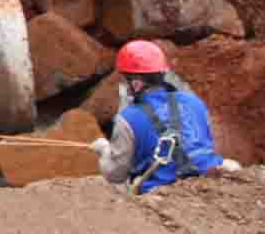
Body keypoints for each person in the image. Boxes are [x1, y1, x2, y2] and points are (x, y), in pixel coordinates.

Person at [89, 41, 240, 194]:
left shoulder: (127, 119)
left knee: (120, 189)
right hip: (211, 175)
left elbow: (115, 174)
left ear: (136, 84)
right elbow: (203, 144)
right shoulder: (194, 102)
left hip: (162, 190)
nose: (123, 86)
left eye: (124, 80)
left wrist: (104, 150)